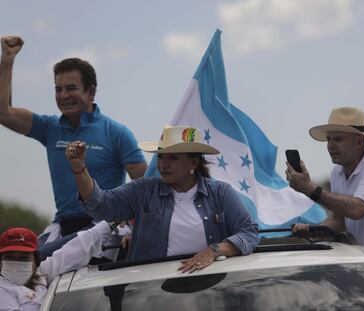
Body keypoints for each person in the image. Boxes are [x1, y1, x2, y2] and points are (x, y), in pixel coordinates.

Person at [0, 36, 147, 242]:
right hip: (63, 225)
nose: (63, 95)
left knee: (41, 262)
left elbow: (146, 188)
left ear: (91, 92)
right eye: (58, 89)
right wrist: (7, 59)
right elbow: (4, 113)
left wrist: (135, 230)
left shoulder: (117, 133)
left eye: (71, 88)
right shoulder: (50, 128)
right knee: (18, 259)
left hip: (104, 226)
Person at [66, 125, 259, 273]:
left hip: (208, 289)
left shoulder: (221, 193)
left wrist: (214, 250)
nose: (162, 164)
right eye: (160, 157)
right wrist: (79, 168)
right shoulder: (142, 190)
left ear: (193, 162)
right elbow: (100, 206)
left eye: (172, 158)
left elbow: (249, 233)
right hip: (149, 289)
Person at [286, 106, 364, 285]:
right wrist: (313, 230)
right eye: (329, 139)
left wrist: (309, 189)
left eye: (338, 139)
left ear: (359, 141)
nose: (330, 145)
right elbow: (340, 221)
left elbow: (357, 209)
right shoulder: (337, 172)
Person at [0, 221, 112, 310]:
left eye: (24, 258)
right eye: (10, 257)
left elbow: (71, 252)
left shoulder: (40, 274)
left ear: (36, 261)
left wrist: (110, 225)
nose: (17, 263)